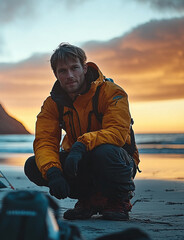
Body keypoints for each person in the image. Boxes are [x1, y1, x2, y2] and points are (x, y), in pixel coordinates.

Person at [24, 43, 140, 221]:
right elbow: (45, 141)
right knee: (33, 166)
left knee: (104, 152)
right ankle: (88, 199)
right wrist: (53, 172)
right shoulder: (52, 104)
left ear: (84, 68)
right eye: (62, 71)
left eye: (74, 68)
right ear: (56, 74)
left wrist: (81, 145)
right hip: (78, 160)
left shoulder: (112, 92)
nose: (69, 76)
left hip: (118, 159)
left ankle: (118, 199)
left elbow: (117, 133)